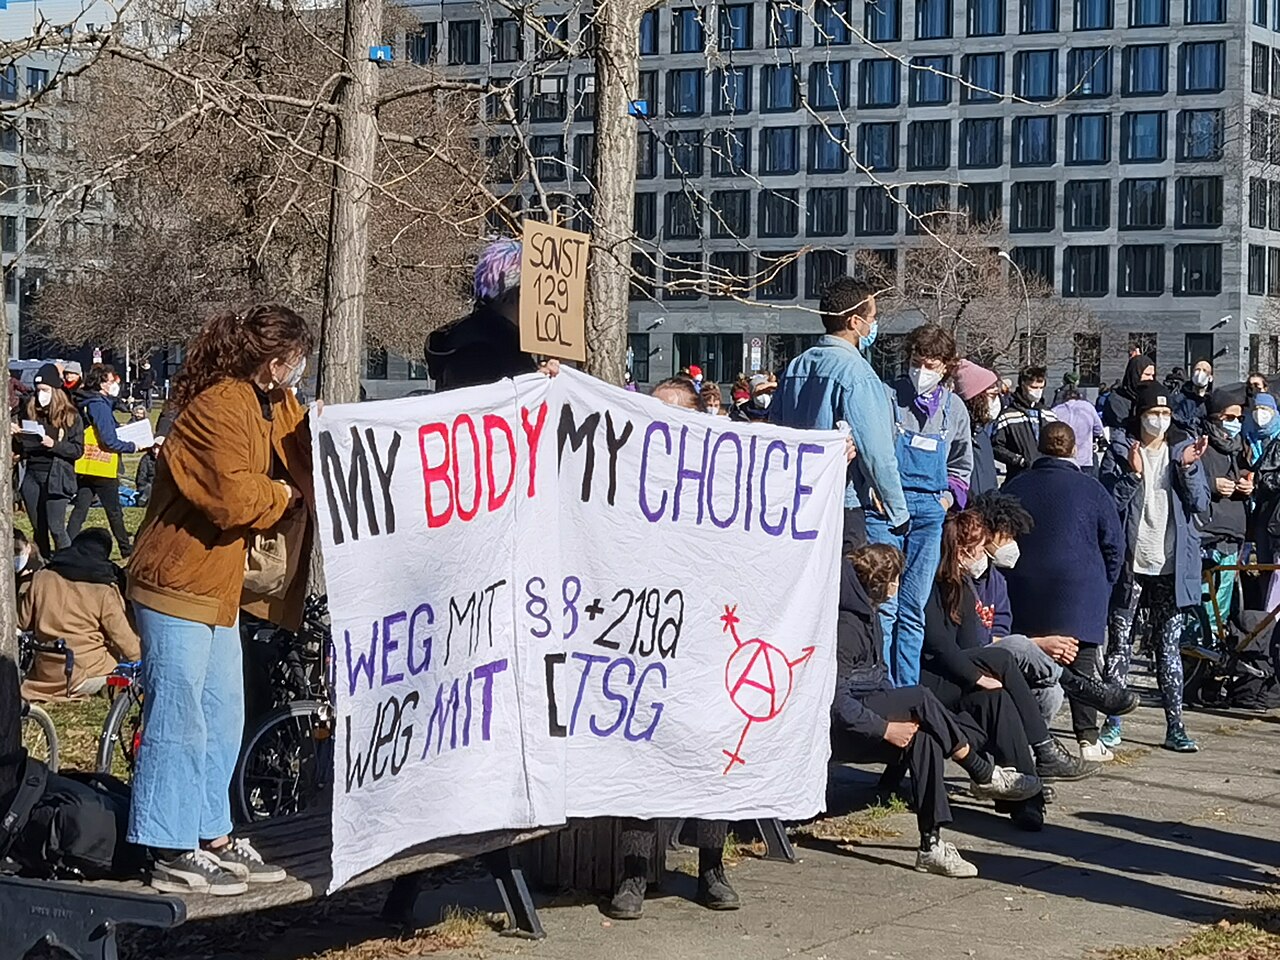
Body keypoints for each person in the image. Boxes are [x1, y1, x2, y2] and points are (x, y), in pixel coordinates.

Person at [126, 304, 315, 896]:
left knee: (223, 715)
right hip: (176, 583)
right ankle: (169, 843)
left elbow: (303, 455)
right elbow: (232, 497)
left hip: (218, 589)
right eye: (296, 362)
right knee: (178, 718)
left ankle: (212, 833)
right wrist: (284, 496)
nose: (299, 374)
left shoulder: (275, 403)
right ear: (276, 361)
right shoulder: (214, 406)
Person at [608, 370, 736, 919]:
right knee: (641, 754)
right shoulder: (628, 481)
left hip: (706, 639)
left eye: (670, 414)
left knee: (710, 752)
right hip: (647, 639)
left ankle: (711, 866)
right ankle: (635, 873)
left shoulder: (723, 481)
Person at [832, 544, 1040, 877]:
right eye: (896, 579)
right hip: (848, 727)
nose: (899, 586)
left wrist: (900, 719)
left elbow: (880, 680)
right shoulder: (846, 628)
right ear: (879, 582)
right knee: (919, 696)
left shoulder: (869, 617)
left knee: (926, 736)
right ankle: (980, 770)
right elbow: (836, 702)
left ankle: (931, 844)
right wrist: (886, 729)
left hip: (872, 707)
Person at [924, 511, 1094, 792]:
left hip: (959, 668)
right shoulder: (932, 585)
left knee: (1001, 694)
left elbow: (973, 642)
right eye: (979, 549)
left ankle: (1029, 792)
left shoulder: (966, 587)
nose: (983, 556)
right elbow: (938, 644)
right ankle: (1045, 746)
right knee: (1003, 657)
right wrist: (976, 676)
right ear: (963, 553)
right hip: (933, 675)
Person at [1002, 424, 1138, 759]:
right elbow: (1114, 545)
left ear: (1039, 446)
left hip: (1025, 589)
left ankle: (1026, 736)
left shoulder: (1016, 486)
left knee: (1024, 665)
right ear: (1075, 448)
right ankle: (1087, 739)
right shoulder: (1091, 489)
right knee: (1083, 668)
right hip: (1080, 590)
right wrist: (1102, 585)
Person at [1099, 382, 1210, 754]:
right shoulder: (1119, 450)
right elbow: (1108, 506)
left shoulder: (1183, 450)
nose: (1159, 420)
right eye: (1153, 414)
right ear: (1140, 416)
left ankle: (1175, 725)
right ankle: (1112, 722)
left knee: (1168, 647)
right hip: (1131, 564)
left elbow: (1200, 504)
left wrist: (1189, 469)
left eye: (1165, 414)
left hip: (1172, 564)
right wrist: (1132, 475)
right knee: (1119, 646)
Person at [771, 276, 908, 553]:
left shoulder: (797, 365)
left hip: (797, 499)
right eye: (872, 317)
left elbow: (776, 430)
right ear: (855, 322)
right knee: (846, 590)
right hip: (842, 504)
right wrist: (898, 512)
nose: (874, 324)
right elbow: (877, 453)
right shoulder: (858, 375)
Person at [868, 324, 972, 688]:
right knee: (884, 604)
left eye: (930, 364)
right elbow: (869, 449)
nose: (921, 370)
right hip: (886, 512)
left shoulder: (954, 409)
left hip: (930, 514)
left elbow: (962, 465)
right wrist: (873, 489)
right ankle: (878, 683)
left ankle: (907, 689)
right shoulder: (885, 396)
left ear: (946, 367)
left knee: (912, 608)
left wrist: (946, 500)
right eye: (916, 361)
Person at [20, 528, 141, 702]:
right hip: (85, 673)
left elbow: (23, 622)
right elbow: (126, 642)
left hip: (45, 671)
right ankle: (107, 687)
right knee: (124, 669)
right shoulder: (103, 590)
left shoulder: (42, 577)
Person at [425, 238, 540, 390]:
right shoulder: (480, 351)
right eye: (535, 289)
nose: (539, 300)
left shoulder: (491, 339)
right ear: (512, 294)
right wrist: (532, 383)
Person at [68, 364, 148, 558]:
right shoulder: (99, 404)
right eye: (111, 381)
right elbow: (108, 438)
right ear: (102, 383)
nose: (115, 385)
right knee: (114, 510)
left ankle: (66, 545)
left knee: (80, 508)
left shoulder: (87, 400)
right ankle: (125, 548)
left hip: (87, 463)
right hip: (102, 464)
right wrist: (131, 446)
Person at [11, 363, 85, 554]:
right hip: (32, 476)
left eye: (44, 389)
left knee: (56, 527)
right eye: (37, 390)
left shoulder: (71, 416)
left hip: (57, 477)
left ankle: (68, 564)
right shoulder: (29, 410)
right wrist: (18, 436)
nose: (39, 394)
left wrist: (55, 444)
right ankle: (43, 563)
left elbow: (77, 450)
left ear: (55, 390)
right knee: (39, 528)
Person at [1196, 387, 1251, 636]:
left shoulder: (1240, 448)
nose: (1235, 424)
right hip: (1208, 531)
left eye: (1239, 418)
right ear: (1216, 417)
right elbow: (1187, 479)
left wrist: (1249, 484)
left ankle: (1217, 647)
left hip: (1234, 530)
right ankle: (1195, 648)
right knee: (1203, 597)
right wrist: (1212, 484)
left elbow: (1248, 474)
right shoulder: (1201, 445)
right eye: (1230, 418)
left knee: (1224, 597)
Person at [991, 365, 1056, 481]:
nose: (1038, 392)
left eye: (1041, 388)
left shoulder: (1049, 415)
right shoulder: (1008, 415)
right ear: (1023, 385)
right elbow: (996, 446)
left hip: (1046, 477)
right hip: (1019, 477)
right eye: (1033, 387)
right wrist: (1017, 460)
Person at [952, 360, 1001, 499]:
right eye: (991, 394)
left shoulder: (981, 431)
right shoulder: (962, 432)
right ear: (976, 398)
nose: (995, 400)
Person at [1050, 383, 1105, 475]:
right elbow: (1098, 429)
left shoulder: (1055, 410)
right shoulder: (1088, 408)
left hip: (1062, 460)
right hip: (1084, 459)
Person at [1102, 354, 1156, 431]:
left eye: (1152, 375)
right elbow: (1119, 427)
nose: (1151, 379)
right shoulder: (1116, 400)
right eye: (1147, 375)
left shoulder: (1150, 396)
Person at [1173, 360, 1213, 436]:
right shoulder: (1181, 398)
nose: (1200, 373)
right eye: (1197, 369)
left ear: (1210, 378)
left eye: (1205, 370)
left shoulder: (1211, 401)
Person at [13, 527, 45, 602]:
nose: (13, 555)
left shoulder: (38, 568)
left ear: (28, 548)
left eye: (17, 550)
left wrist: (26, 579)